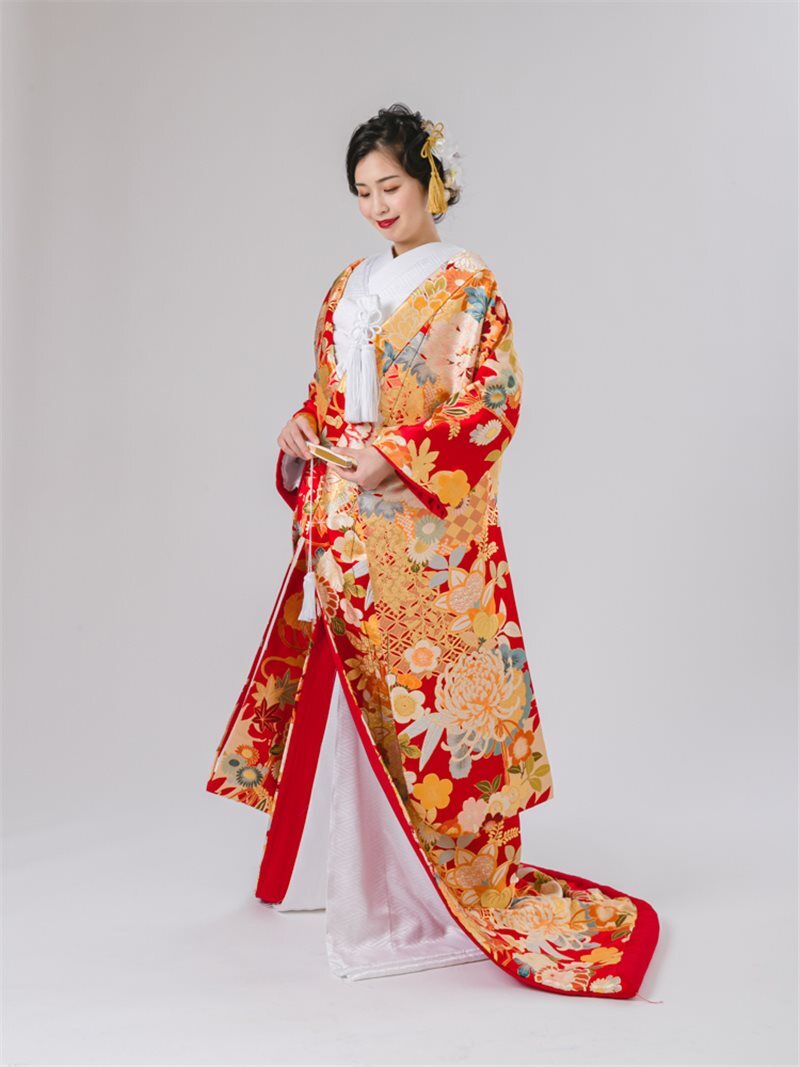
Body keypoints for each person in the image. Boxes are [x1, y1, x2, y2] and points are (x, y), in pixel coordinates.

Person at [207, 103, 660, 998]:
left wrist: (403, 455)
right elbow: (328, 395)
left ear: (429, 184)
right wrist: (303, 427)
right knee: (353, 700)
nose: (379, 206)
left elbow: (490, 405)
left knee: (431, 707)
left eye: (392, 186)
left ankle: (430, 886)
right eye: (363, 192)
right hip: (343, 521)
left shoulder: (468, 284)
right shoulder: (347, 285)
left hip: (422, 536)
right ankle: (359, 882)